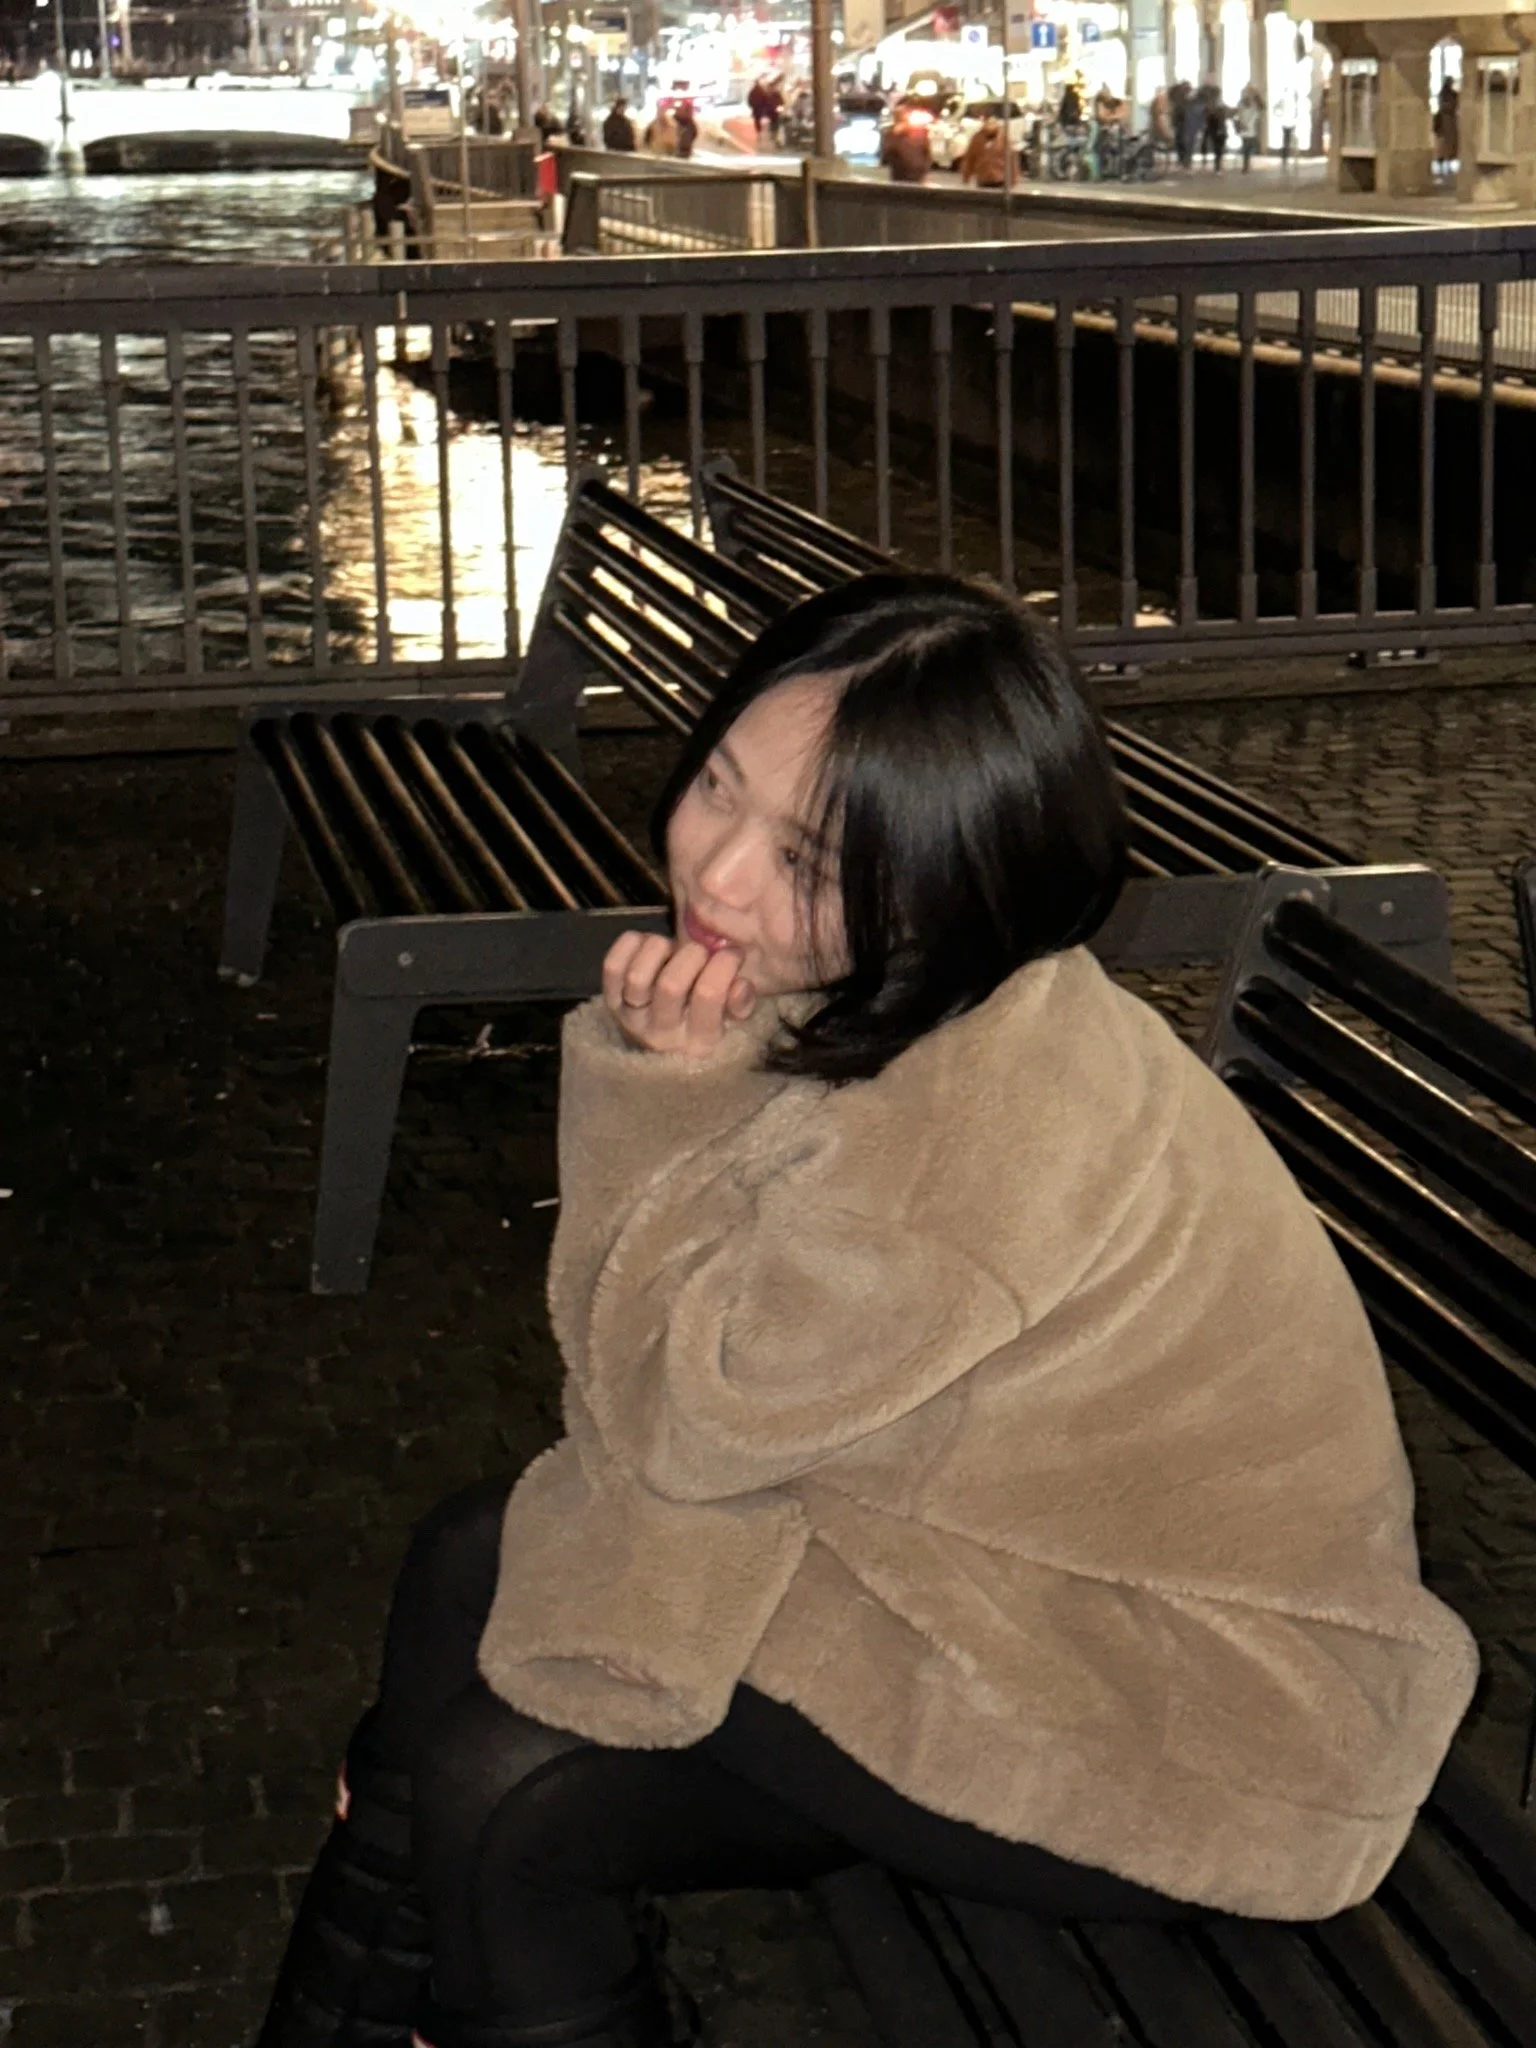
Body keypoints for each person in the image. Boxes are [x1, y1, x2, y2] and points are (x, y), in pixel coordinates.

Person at [253, 574, 1478, 2048]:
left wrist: (658, 1099)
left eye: (811, 858)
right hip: (994, 1577)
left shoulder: (977, 1127)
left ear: (947, 872)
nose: (718, 874)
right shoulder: (928, 985)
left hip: (1201, 1717)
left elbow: (669, 1427)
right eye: (717, 785)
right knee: (474, 1559)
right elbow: (706, 1398)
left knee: (512, 1801)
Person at [880, 106, 932, 182]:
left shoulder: (919, 132)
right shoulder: (892, 133)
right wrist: (895, 134)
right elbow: (887, 152)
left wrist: (925, 168)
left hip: (917, 173)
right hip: (900, 173)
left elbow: (926, 151)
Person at [959, 112, 1008, 188]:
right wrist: (966, 176)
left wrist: (1013, 179)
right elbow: (970, 158)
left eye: (993, 123)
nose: (990, 126)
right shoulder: (977, 138)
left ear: (997, 124)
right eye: (988, 123)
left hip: (1000, 179)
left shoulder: (1003, 138)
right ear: (984, 124)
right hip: (983, 178)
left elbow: (1011, 159)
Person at [1433, 78, 1460, 177]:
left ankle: (1446, 162)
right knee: (1443, 144)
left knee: (1447, 144)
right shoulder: (1446, 94)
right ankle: (1443, 162)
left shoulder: (1451, 94)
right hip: (1445, 122)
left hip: (1449, 122)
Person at [1235, 82, 1263, 171]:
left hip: (1251, 125)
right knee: (1246, 143)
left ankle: (1246, 162)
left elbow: (1257, 112)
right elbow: (1239, 112)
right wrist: (1241, 122)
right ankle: (1245, 165)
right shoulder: (1242, 102)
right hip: (1244, 125)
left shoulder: (1256, 102)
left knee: (1249, 143)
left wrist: (1249, 123)